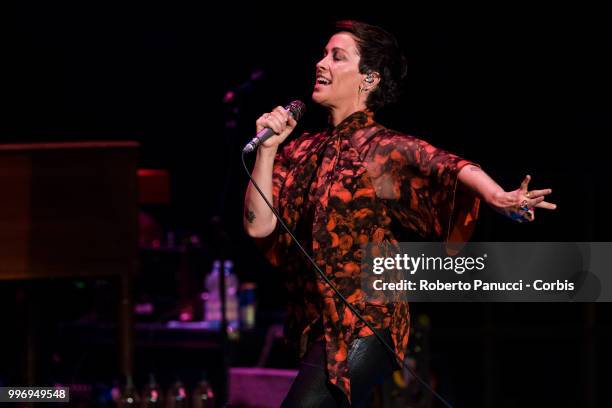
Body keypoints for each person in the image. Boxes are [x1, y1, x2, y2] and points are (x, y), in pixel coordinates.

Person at [243, 20, 556, 407]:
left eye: (337, 57)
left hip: (368, 321)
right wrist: (268, 150)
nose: (321, 63)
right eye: (323, 54)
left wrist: (500, 197)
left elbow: (449, 166)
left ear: (369, 79)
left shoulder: (381, 147)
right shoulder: (300, 150)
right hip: (316, 323)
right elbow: (260, 227)